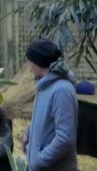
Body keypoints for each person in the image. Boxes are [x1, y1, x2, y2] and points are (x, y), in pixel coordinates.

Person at [21, 39, 78, 170]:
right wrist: (29, 133)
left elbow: (65, 139)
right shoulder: (44, 86)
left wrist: (39, 160)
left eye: (30, 61)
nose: (29, 66)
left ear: (39, 62)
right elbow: (43, 118)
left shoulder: (61, 91)